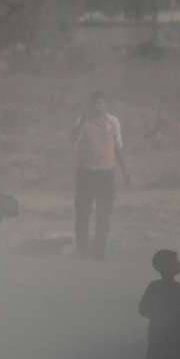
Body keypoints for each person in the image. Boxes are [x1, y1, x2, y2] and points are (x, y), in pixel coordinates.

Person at [69, 90, 130, 261]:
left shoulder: (113, 122)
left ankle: (99, 252)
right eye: (94, 103)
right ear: (90, 104)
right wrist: (84, 121)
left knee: (104, 214)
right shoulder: (82, 120)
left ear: (105, 105)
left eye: (99, 103)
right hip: (86, 174)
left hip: (106, 175)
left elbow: (118, 146)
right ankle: (82, 250)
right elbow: (73, 139)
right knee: (83, 213)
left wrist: (125, 171)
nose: (96, 107)